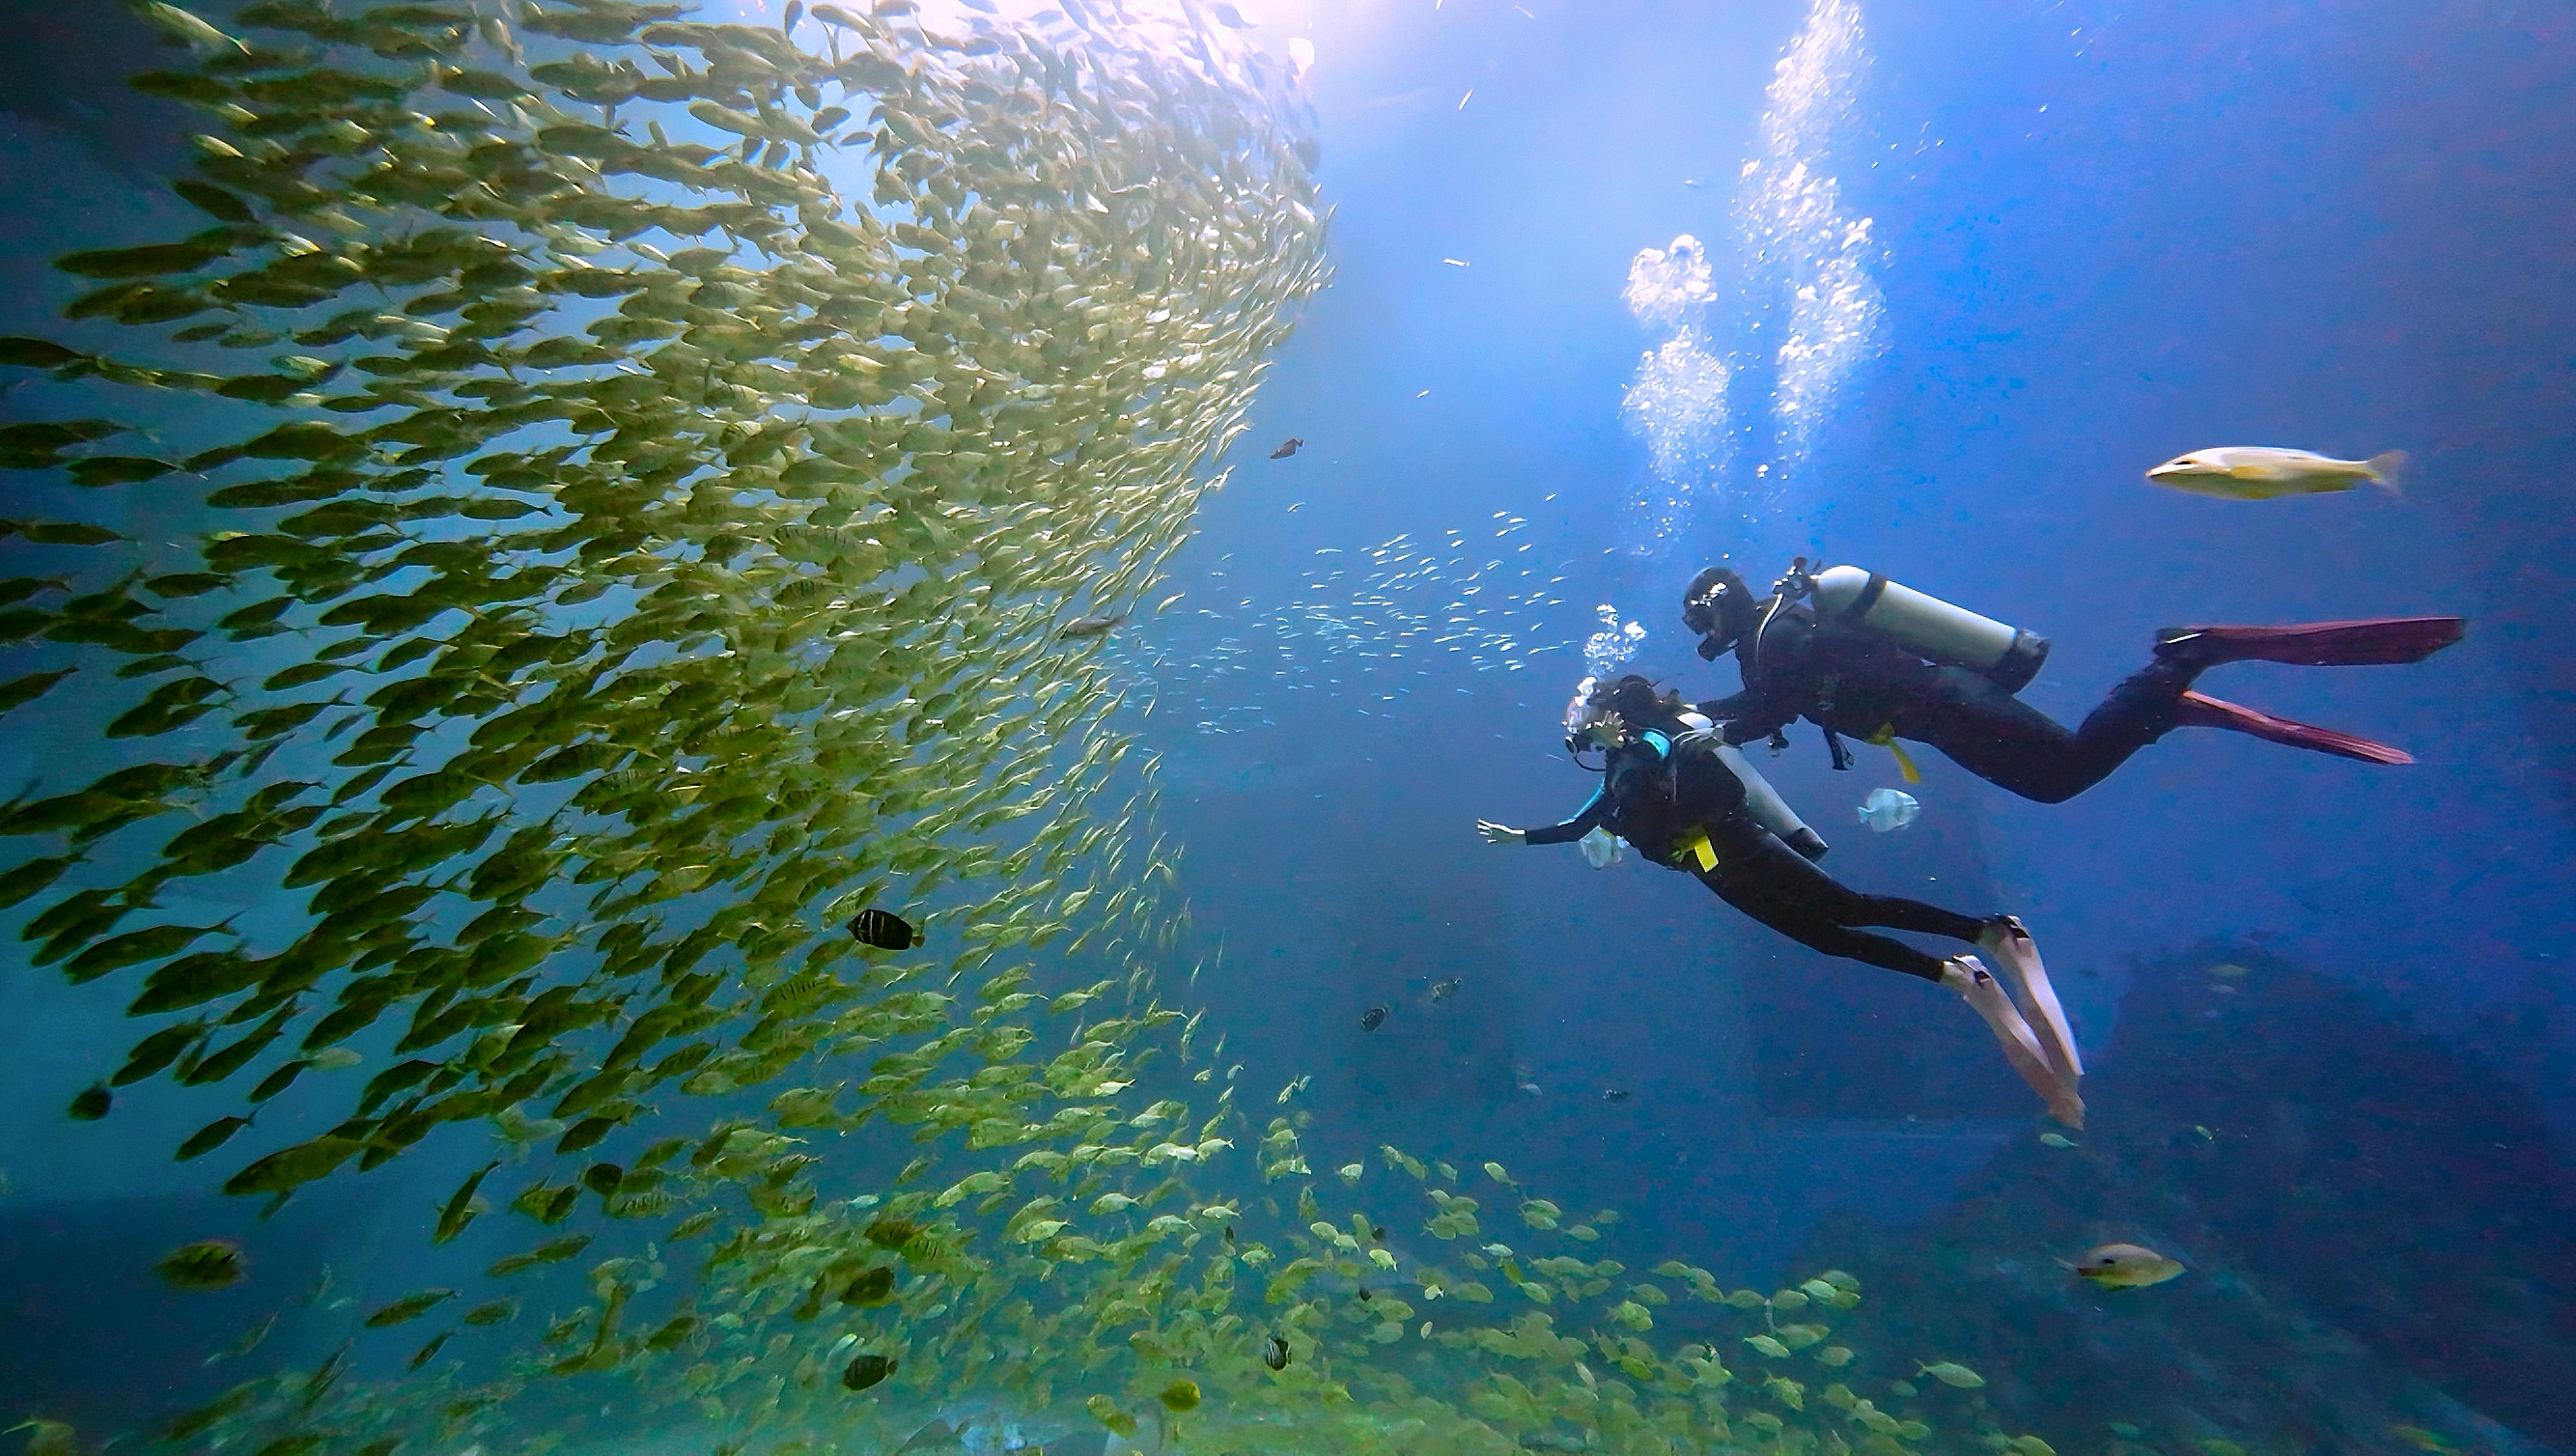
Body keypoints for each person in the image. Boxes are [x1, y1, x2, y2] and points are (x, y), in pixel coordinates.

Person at [1476, 675, 2085, 1126]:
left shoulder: (1651, 742)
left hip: (1738, 842)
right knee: (1828, 940)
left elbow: (1666, 767)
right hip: (1711, 868)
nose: (1577, 721)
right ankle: (1955, 974)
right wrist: (1520, 837)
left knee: (1849, 907)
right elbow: (1580, 825)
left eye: (1584, 710)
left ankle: (1990, 931)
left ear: (1610, 710)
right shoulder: (1616, 768)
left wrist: (1634, 745)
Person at [1678, 560, 2465, 803]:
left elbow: (1771, 706)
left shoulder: (1778, 635)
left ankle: (2182, 659)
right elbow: (1768, 703)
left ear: (1717, 609)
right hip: (1935, 718)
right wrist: (1699, 716)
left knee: (2067, 769)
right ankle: (2160, 705)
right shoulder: (1771, 638)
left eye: (1698, 622)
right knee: (2054, 784)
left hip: (1945, 702)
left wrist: (1693, 721)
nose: (1702, 637)